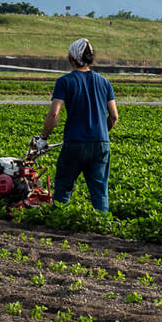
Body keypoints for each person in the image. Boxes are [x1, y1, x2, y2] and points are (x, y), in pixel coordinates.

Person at [36, 38, 117, 212]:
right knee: (100, 191)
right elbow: (114, 116)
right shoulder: (105, 82)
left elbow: (54, 113)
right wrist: (102, 132)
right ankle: (101, 227)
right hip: (101, 144)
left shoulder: (65, 82)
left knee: (64, 187)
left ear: (72, 58)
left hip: (75, 142)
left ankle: (58, 224)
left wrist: (44, 137)